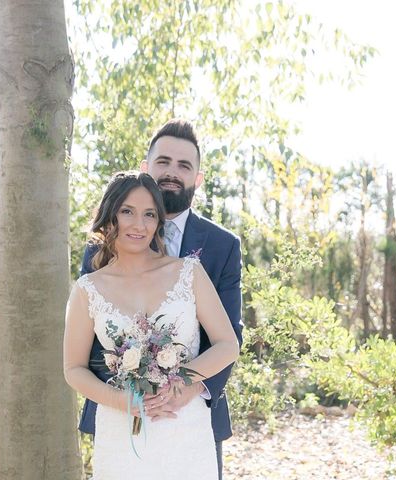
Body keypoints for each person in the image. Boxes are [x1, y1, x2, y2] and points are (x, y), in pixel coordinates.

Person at [78, 119, 243, 478]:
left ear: (198, 178)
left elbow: (230, 334)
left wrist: (188, 386)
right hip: (121, 418)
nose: (172, 172)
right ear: (145, 168)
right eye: (164, 161)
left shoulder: (221, 246)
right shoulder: (96, 251)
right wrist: (129, 393)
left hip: (191, 414)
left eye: (184, 165)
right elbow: (88, 340)